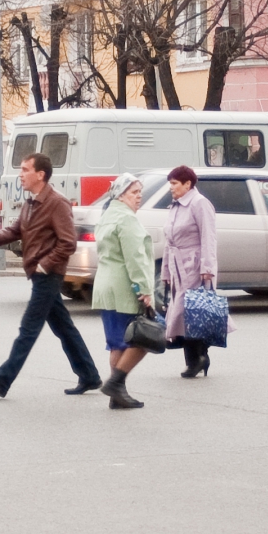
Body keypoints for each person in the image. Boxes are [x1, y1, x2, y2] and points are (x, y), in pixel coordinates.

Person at [0, 152, 103, 397]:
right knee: (65, 328)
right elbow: (12, 231)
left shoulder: (56, 203)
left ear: (40, 175)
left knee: (28, 329)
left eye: (25, 169)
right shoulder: (31, 203)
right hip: (40, 275)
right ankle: (89, 375)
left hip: (48, 276)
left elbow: (68, 242)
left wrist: (45, 265)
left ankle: (3, 379)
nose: (20, 175)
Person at [92, 174, 155, 409]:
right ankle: (116, 383)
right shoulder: (127, 219)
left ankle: (117, 394)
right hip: (124, 288)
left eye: (140, 192)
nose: (139, 197)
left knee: (118, 343)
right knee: (145, 338)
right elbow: (134, 257)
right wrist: (145, 289)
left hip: (106, 287)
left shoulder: (108, 215)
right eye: (133, 192)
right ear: (120, 194)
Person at [160, 165, 219, 378]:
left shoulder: (200, 203)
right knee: (184, 312)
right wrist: (165, 271)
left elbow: (208, 237)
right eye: (171, 183)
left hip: (194, 265)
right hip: (178, 266)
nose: (171, 188)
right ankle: (196, 359)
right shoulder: (176, 206)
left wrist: (207, 267)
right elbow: (169, 241)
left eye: (175, 184)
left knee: (192, 311)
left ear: (188, 184)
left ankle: (198, 357)